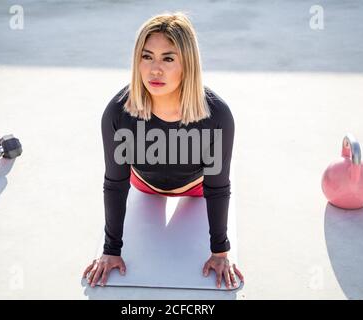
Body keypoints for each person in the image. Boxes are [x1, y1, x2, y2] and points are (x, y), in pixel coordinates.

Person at [83, 12, 244, 290]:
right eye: (147, 57)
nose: (155, 69)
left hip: (196, 190)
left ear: (187, 64)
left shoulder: (216, 115)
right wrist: (110, 250)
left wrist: (220, 252)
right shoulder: (118, 113)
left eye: (168, 59)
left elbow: (217, 187)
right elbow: (116, 182)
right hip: (143, 185)